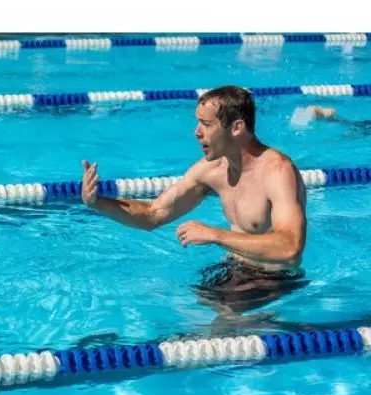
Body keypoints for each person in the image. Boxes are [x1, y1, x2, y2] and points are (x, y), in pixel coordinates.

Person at [81, 85, 309, 317]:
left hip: (273, 280)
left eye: (206, 124)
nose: (196, 133)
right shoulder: (212, 170)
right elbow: (152, 214)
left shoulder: (277, 172)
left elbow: (290, 248)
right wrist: (97, 202)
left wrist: (215, 235)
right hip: (232, 272)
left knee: (216, 330)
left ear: (237, 127)